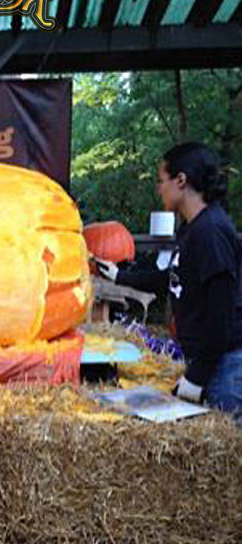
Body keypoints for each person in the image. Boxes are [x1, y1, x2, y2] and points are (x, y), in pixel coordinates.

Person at [95, 142, 242, 423]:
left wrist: (197, 377)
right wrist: (119, 276)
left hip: (227, 366)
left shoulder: (211, 232)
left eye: (161, 181)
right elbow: (172, 279)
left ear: (181, 180)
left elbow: (221, 314)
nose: (158, 188)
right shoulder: (193, 228)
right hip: (210, 362)